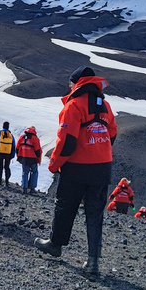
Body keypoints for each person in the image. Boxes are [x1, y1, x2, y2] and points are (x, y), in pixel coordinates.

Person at [34, 66, 118, 275]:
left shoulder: (73, 106)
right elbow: (112, 133)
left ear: (77, 83)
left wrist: (54, 164)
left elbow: (67, 142)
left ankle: (55, 245)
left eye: (70, 83)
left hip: (77, 168)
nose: (69, 86)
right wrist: (99, 149)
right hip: (102, 167)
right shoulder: (105, 106)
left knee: (65, 207)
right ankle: (93, 262)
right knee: (95, 214)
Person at [16, 126, 42, 193]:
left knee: (25, 173)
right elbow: (38, 151)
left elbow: (17, 147)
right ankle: (32, 188)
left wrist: (19, 156)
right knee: (34, 173)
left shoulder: (22, 137)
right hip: (33, 159)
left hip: (24, 158)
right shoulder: (35, 138)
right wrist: (38, 159)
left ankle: (24, 188)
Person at [0, 121, 16, 187]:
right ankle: (7, 181)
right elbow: (13, 145)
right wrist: (13, 155)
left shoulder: (0, 134)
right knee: (7, 167)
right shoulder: (10, 136)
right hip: (8, 154)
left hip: (0, 153)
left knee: (0, 167)